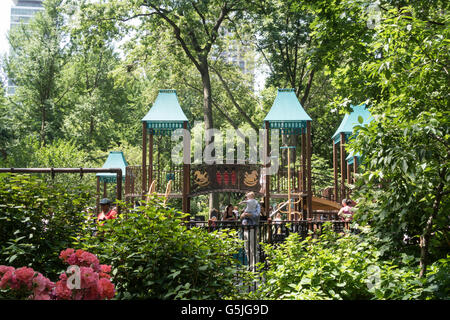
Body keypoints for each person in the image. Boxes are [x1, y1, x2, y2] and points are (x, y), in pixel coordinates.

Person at [239, 192, 261, 272]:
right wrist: (241, 216)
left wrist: (248, 215)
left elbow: (257, 215)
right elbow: (241, 218)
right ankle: (250, 265)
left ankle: (256, 267)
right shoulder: (246, 206)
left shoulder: (256, 204)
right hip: (245, 230)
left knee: (253, 249)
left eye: (247, 197)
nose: (246, 198)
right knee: (247, 249)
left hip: (252, 229)